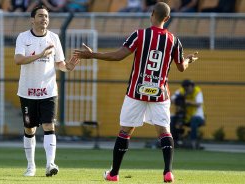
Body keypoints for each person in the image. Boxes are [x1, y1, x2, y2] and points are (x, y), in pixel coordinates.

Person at [74, 2, 198, 183]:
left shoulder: (140, 35)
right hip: (160, 93)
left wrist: (93, 55)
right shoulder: (174, 40)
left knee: (125, 131)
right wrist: (188, 60)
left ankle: (114, 174)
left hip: (136, 91)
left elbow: (118, 55)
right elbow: (181, 68)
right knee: (164, 131)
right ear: (167, 18)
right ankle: (168, 172)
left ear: (152, 13)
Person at [14, 5, 79, 177]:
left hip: (48, 92)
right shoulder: (23, 37)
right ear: (32, 19)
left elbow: (60, 63)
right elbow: (18, 60)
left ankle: (50, 164)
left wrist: (69, 67)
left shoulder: (54, 38)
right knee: (30, 129)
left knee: (49, 126)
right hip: (27, 91)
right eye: (41, 16)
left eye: (46, 16)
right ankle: (31, 166)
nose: (44, 19)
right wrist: (40, 55)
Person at [170, 79, 205, 149]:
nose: (186, 89)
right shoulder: (181, 91)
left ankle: (193, 142)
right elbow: (172, 99)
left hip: (198, 117)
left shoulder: (197, 91)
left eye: (188, 87)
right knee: (172, 119)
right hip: (185, 117)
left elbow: (198, 104)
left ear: (192, 86)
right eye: (185, 88)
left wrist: (186, 102)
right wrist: (178, 100)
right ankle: (174, 141)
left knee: (194, 120)